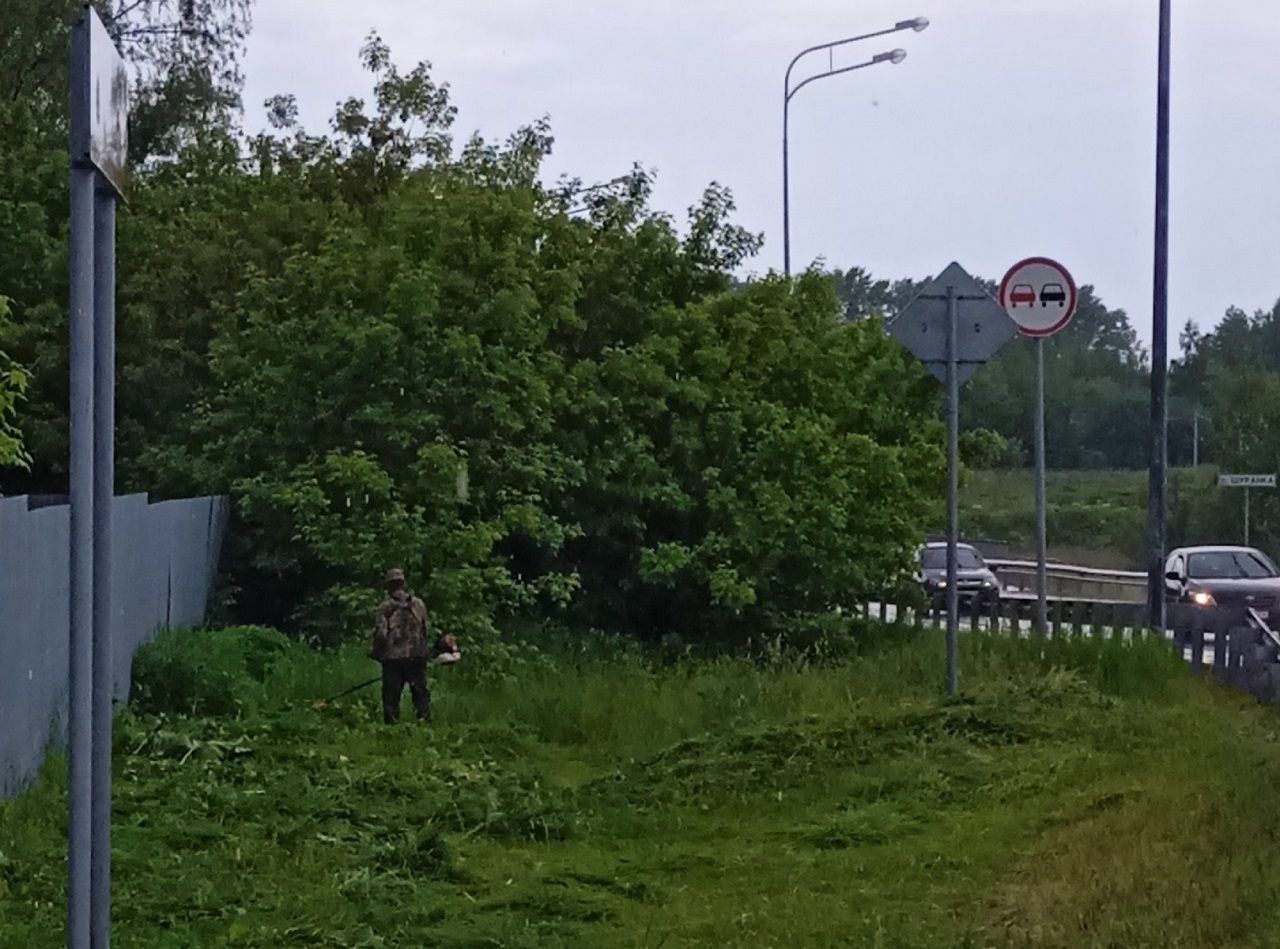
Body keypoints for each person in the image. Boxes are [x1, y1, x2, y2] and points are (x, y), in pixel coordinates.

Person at [370, 568, 432, 724]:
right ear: (403, 583)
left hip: (393, 658)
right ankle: (424, 722)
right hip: (417, 655)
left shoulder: (385, 608)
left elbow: (381, 634)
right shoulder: (419, 604)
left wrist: (376, 653)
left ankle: (391, 727)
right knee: (420, 692)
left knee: (391, 695)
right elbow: (425, 630)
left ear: (388, 586)